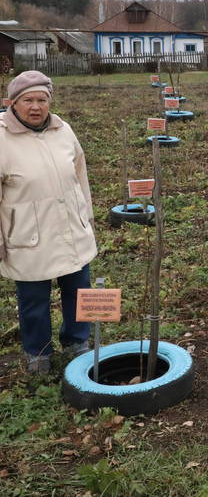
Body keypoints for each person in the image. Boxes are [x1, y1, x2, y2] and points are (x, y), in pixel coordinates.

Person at [0, 70, 97, 374]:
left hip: (71, 228)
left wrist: (86, 218)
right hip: (28, 234)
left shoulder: (63, 130)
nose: (36, 106)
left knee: (78, 290)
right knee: (34, 301)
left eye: (42, 99)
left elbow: (80, 175)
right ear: (12, 103)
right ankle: (38, 354)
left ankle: (77, 342)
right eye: (28, 100)